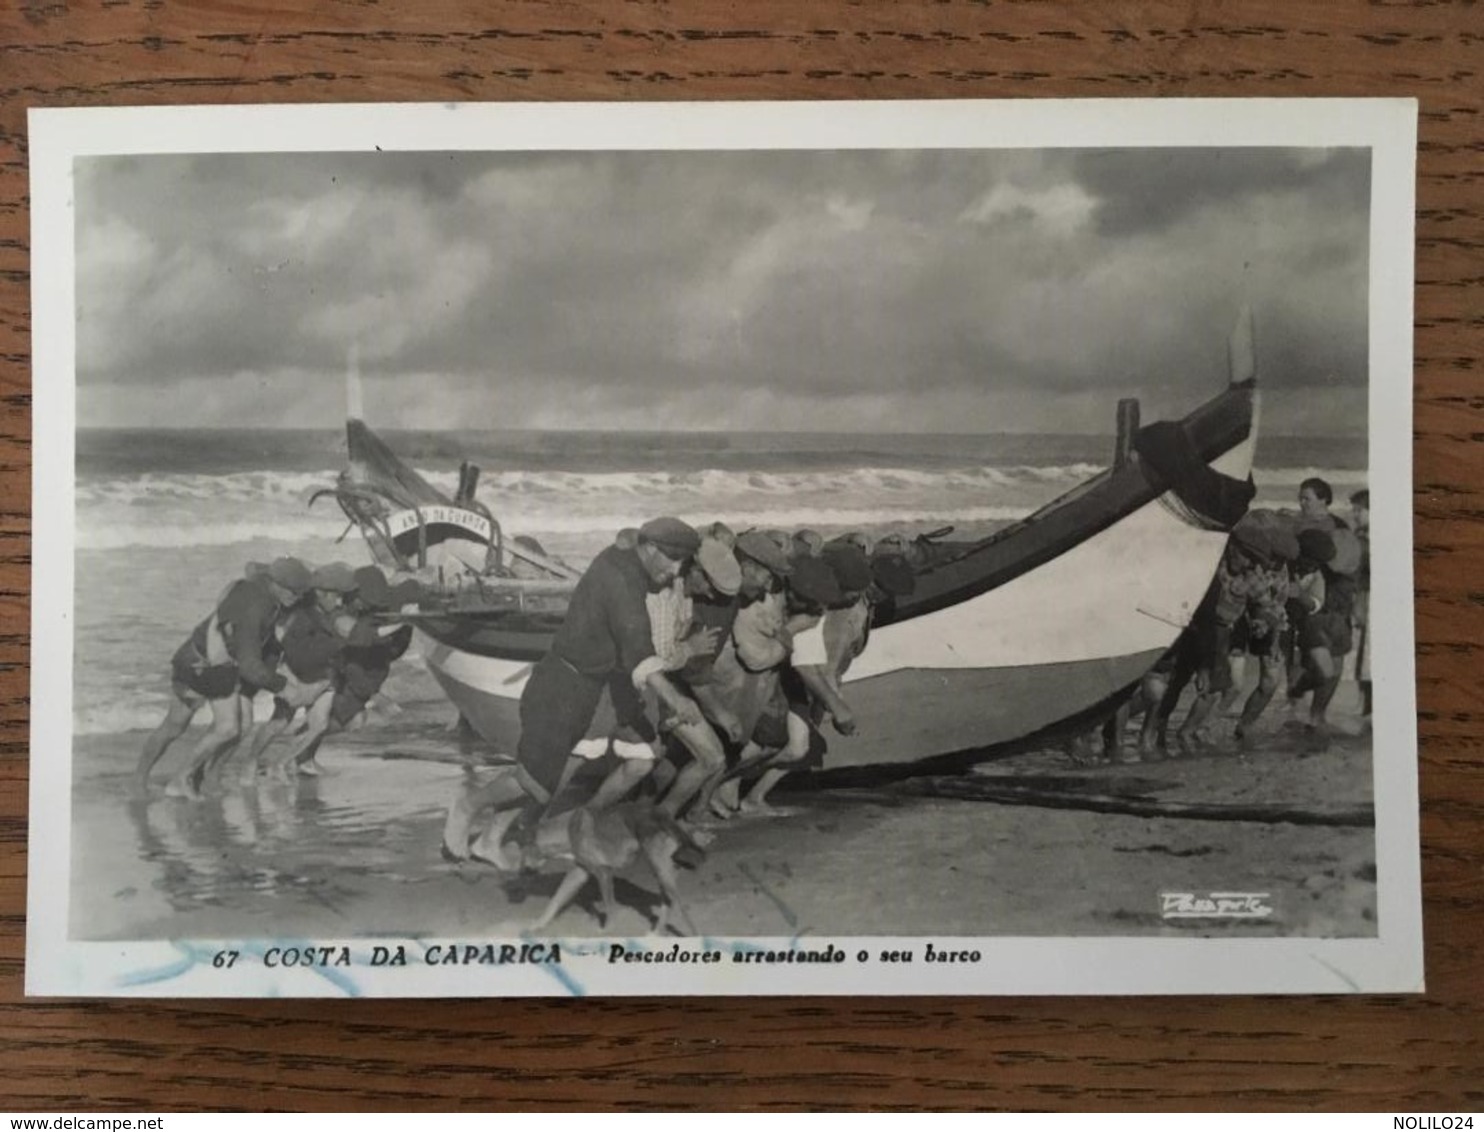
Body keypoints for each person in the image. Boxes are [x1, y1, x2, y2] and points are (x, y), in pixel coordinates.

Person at [441, 517, 706, 867]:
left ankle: (491, 841)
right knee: (533, 781)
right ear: (650, 548)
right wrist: (675, 698)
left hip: (600, 685)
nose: (676, 571)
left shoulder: (625, 562)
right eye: (672, 560)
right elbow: (639, 652)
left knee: (616, 761)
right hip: (563, 685)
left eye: (683, 564)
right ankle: (468, 805)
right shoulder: (621, 582)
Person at [136, 557, 321, 798]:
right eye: (294, 593)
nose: (296, 598)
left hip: (215, 664)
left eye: (300, 593)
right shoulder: (257, 607)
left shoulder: (262, 587)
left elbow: (252, 567)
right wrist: (284, 687)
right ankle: (166, 779)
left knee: (235, 726)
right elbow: (250, 667)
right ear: (277, 584)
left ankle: (206, 777)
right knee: (199, 727)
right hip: (199, 666)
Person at [1350, 489, 1372, 722]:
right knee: (1365, 653)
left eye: (1359, 510)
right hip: (1366, 596)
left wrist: (1358, 603)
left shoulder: (1368, 540)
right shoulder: (1362, 537)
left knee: (1368, 653)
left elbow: (1361, 578)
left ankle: (1367, 705)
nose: (1354, 514)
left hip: (1369, 597)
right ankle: (1365, 704)